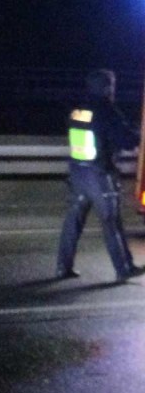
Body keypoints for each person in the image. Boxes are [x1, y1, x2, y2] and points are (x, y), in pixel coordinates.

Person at [57, 69, 141, 282]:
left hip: (77, 173)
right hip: (99, 175)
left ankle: (62, 267)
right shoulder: (105, 110)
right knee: (111, 222)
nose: (113, 90)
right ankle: (124, 269)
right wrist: (137, 136)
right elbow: (126, 140)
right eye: (111, 86)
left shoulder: (76, 110)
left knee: (73, 222)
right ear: (106, 88)